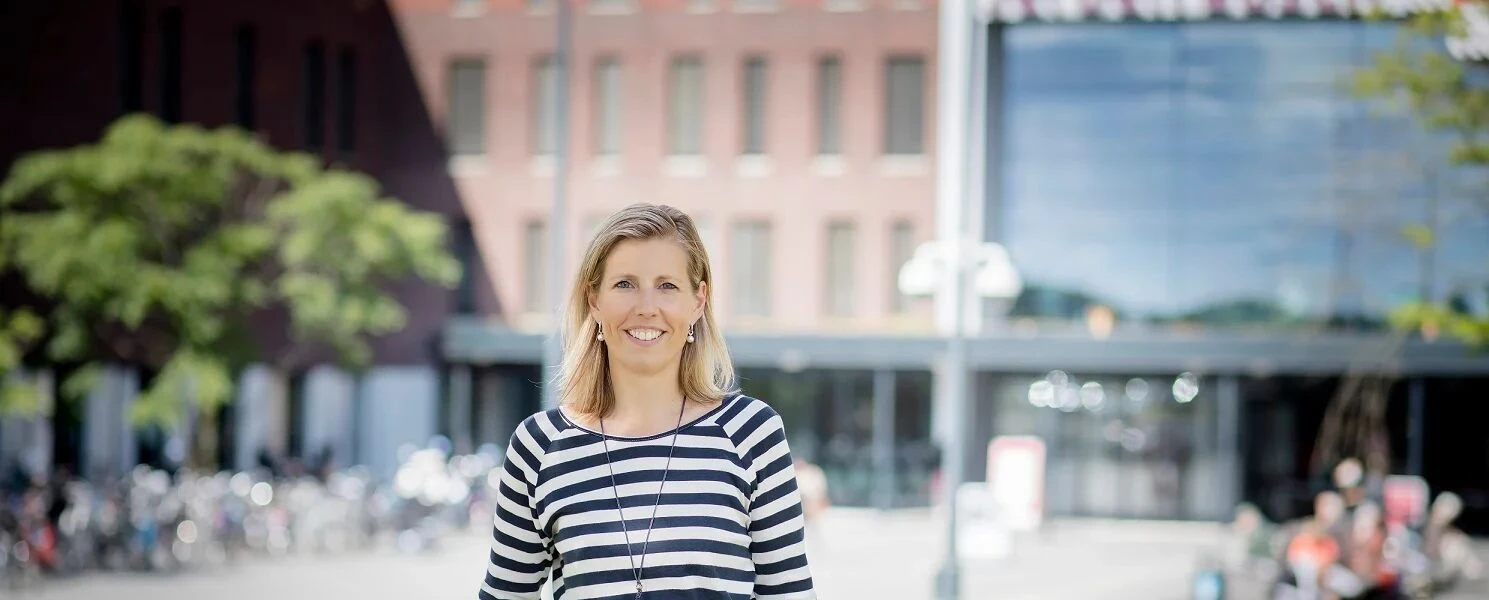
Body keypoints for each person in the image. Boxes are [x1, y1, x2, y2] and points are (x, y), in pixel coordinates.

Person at [477, 204, 815, 600]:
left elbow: (789, 594)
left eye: (667, 286)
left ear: (698, 301)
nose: (646, 307)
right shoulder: (539, 445)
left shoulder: (750, 432)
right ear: (594, 299)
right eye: (625, 284)